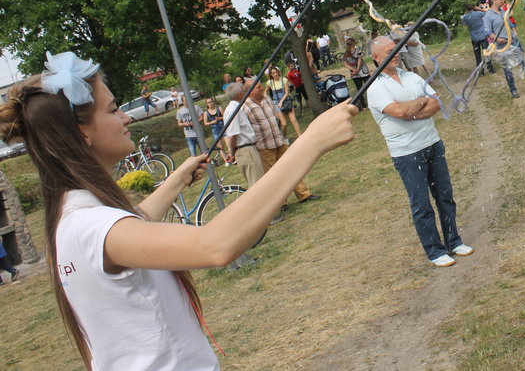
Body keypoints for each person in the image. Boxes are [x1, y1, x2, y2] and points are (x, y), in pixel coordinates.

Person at [0, 52, 355, 369]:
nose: (125, 118)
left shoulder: (72, 217)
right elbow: (216, 245)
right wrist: (310, 143)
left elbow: (134, 226)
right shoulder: (93, 225)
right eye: (112, 109)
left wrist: (176, 180)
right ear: (82, 134)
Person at [366, 36, 473, 267]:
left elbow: (436, 103)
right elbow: (398, 112)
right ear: (375, 58)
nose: (395, 54)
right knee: (421, 204)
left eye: (395, 50)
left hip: (432, 143)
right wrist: (418, 105)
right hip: (406, 153)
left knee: (445, 196)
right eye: (388, 52)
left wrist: (415, 107)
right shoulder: (375, 87)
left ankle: (453, 241)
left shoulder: (412, 76)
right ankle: (435, 251)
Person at [245, 80, 318, 210]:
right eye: (258, 87)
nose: (262, 88)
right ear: (250, 91)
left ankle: (303, 194)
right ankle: (281, 202)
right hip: (264, 146)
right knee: (274, 176)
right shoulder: (245, 107)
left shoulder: (267, 99)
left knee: (291, 168)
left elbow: (276, 116)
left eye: (261, 85)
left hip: (278, 140)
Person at [223, 82, 265, 187]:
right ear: (240, 94)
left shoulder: (236, 108)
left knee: (259, 180)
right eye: (244, 91)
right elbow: (233, 135)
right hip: (245, 150)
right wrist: (232, 153)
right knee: (257, 183)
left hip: (247, 149)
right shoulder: (233, 110)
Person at [266, 66, 302, 137]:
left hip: (286, 100)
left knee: (293, 120)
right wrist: (268, 100)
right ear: (271, 75)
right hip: (276, 103)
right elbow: (265, 92)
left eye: (276, 72)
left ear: (278, 72)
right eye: (273, 73)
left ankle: (300, 135)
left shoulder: (284, 80)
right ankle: (285, 138)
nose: (275, 74)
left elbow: (287, 92)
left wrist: (281, 101)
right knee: (284, 123)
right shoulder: (269, 83)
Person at [461, 3, 494, 73]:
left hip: (474, 38)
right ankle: (491, 69)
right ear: (473, 7)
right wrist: (480, 9)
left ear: (466, 9)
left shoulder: (465, 17)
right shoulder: (478, 13)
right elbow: (488, 12)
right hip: (483, 36)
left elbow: (463, 23)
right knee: (487, 53)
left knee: (477, 55)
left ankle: (481, 71)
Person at [343, 37, 370, 110]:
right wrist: (357, 69)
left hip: (354, 73)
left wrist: (353, 69)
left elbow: (345, 63)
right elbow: (360, 60)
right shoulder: (358, 50)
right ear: (353, 43)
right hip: (363, 71)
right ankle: (370, 103)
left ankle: (364, 106)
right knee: (370, 87)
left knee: (359, 89)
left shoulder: (345, 53)